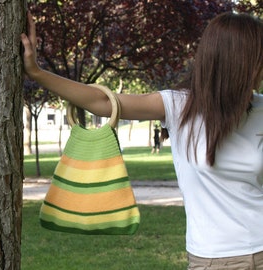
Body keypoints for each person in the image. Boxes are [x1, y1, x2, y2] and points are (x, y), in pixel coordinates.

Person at [21, 11, 263, 270]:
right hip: (216, 259)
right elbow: (103, 102)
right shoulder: (180, 106)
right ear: (238, 62)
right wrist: (37, 72)